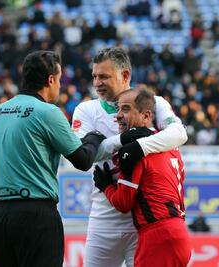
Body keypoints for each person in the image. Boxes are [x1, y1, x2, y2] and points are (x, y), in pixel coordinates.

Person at [0, 50, 105, 267]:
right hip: (36, 215)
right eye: (59, 80)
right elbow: (83, 160)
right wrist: (94, 138)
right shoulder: (48, 112)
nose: (60, 86)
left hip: (0, 217)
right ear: (50, 80)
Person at [72, 47, 187, 267]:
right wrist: (124, 141)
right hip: (104, 217)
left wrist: (139, 146)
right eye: (95, 76)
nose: (97, 83)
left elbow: (179, 133)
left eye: (104, 76)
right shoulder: (86, 110)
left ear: (125, 75)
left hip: (143, 221)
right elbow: (82, 156)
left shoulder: (154, 102)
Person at [93, 88, 191, 267]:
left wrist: (106, 185)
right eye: (118, 109)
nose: (118, 115)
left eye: (126, 109)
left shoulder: (135, 150)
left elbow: (124, 202)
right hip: (180, 233)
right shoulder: (170, 143)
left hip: (157, 236)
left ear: (146, 116)